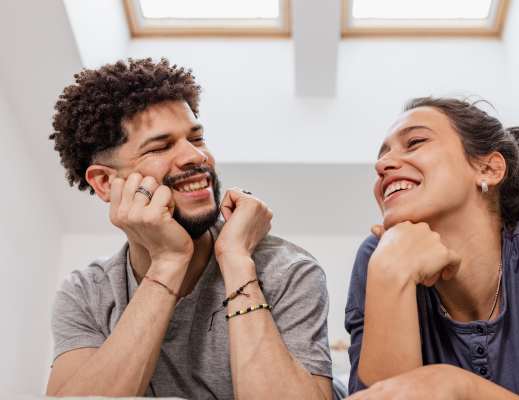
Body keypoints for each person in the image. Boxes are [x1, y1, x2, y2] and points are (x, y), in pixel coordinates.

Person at [46, 58, 333, 399]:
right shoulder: (88, 293)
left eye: (197, 138)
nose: (196, 156)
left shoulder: (285, 269)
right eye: (161, 146)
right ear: (106, 182)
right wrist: (168, 262)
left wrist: (236, 259)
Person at [345, 97, 519, 399]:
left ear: (489, 169)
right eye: (382, 155)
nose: (381, 165)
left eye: (414, 142)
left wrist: (455, 386)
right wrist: (390, 276)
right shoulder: (377, 259)